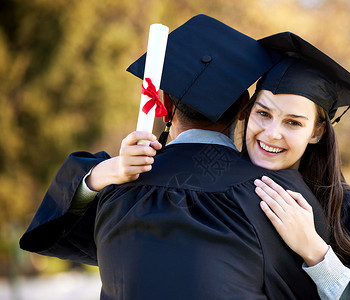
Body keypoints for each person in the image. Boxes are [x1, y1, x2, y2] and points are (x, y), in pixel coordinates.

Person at [20, 15, 330, 299]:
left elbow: (52, 231)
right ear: (245, 107)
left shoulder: (116, 189)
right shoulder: (277, 199)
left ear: (164, 103)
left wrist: (100, 174)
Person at [241, 32, 350, 299]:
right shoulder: (211, 187)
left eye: (293, 122)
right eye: (263, 114)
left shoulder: (348, 209)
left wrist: (315, 250)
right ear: (247, 113)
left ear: (317, 132)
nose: (271, 133)